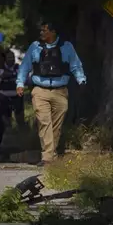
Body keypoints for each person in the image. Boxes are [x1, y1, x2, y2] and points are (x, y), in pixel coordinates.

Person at [16, 21, 87, 166]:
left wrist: (81, 80)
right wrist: (20, 83)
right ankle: (47, 157)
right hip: (39, 90)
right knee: (44, 122)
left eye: (44, 31)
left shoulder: (67, 47)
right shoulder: (35, 47)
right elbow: (24, 67)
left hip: (60, 91)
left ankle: (51, 153)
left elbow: (75, 65)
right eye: (41, 30)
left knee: (56, 125)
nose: (41, 33)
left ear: (53, 32)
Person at [0, 49, 26, 130]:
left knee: (20, 117)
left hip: (17, 95)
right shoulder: (0, 67)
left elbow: (23, 76)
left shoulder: (18, 66)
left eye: (13, 57)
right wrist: (15, 74)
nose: (11, 59)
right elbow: (2, 75)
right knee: (5, 118)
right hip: (4, 96)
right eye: (9, 57)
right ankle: (8, 134)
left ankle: (21, 133)